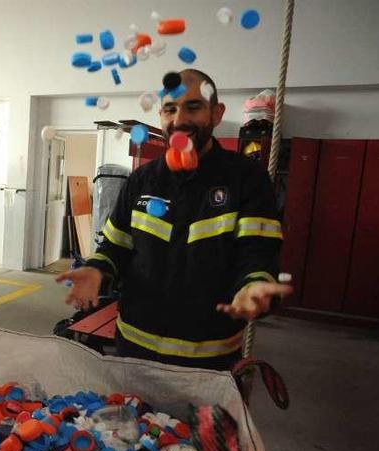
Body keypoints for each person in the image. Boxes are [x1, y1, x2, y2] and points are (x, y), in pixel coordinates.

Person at [57, 69, 293, 371]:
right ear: (161, 116)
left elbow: (257, 255)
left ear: (216, 113)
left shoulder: (247, 179)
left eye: (193, 107)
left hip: (210, 362)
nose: (179, 119)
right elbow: (115, 247)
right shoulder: (142, 180)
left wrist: (255, 286)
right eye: (170, 109)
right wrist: (97, 270)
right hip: (133, 350)